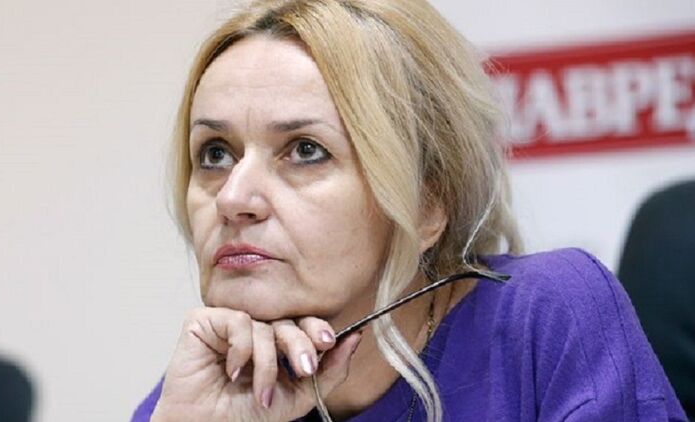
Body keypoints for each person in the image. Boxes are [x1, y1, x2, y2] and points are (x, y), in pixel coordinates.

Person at [132, 0, 686, 420]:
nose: (232, 198)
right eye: (215, 153)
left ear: (427, 202)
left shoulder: (545, 316)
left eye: (305, 150)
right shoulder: (199, 397)